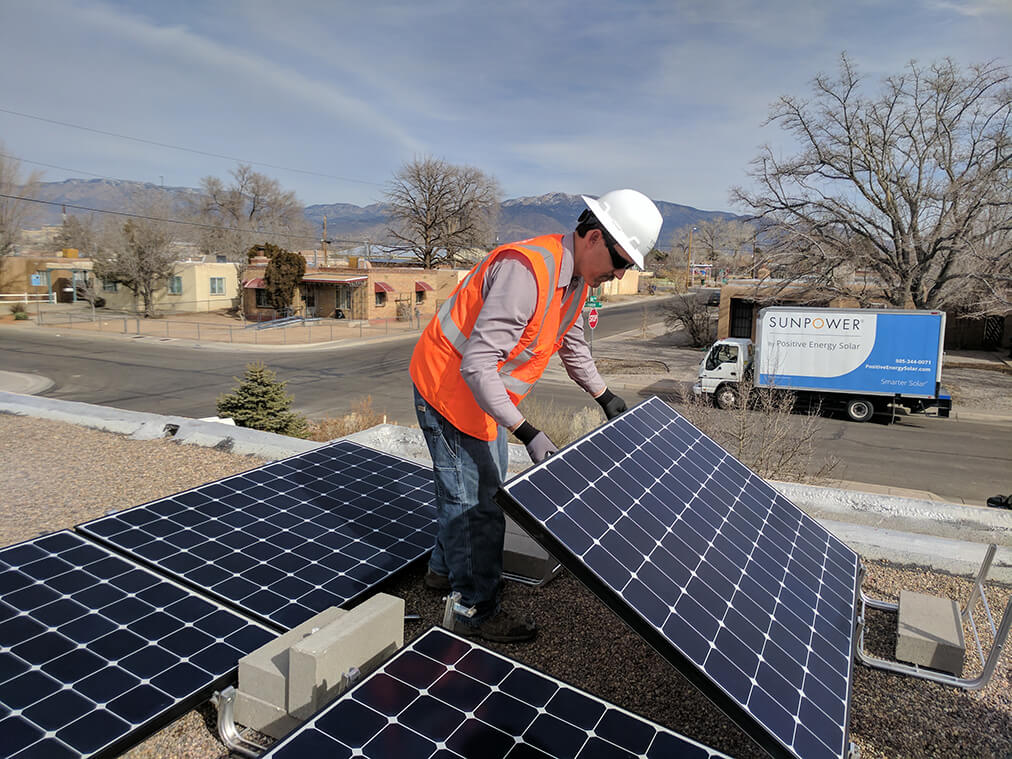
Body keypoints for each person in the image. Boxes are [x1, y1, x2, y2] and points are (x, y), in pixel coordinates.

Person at [410, 189, 663, 642]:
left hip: (482, 399)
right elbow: (477, 365)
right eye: (621, 261)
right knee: (475, 504)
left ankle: (441, 570)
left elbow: (573, 345)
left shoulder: (579, 282)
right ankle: (474, 609)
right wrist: (527, 431)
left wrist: (604, 396)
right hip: (448, 391)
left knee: (477, 491)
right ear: (592, 238)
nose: (620, 274)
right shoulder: (528, 272)